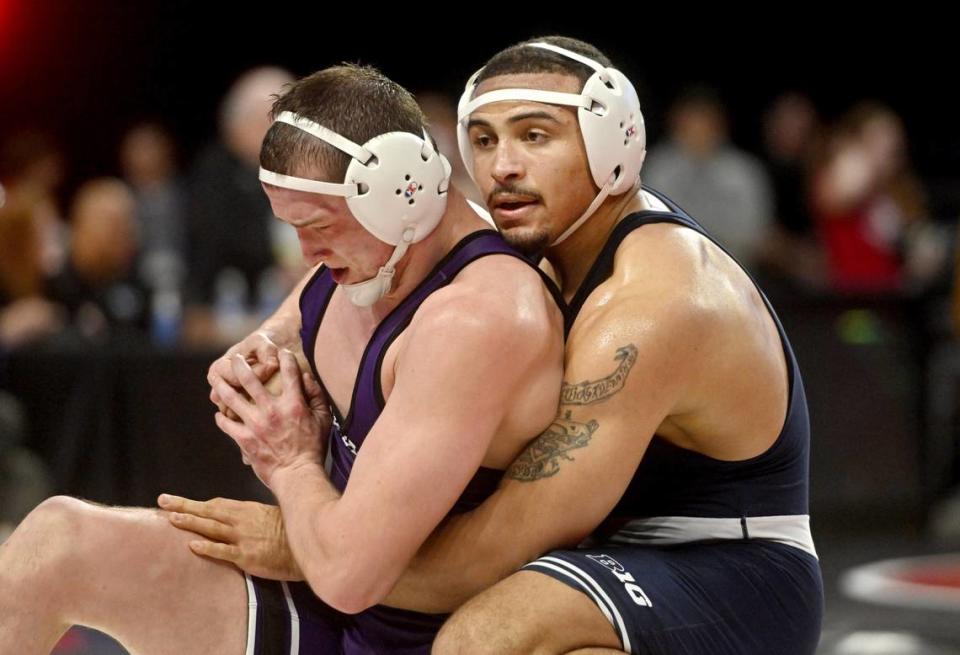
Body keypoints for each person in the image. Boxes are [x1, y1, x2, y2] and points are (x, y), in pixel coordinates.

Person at [174, 37, 824, 654]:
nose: (503, 165)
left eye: (535, 136)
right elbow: (340, 265)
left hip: (737, 565)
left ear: (614, 143)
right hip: (623, 550)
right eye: (483, 140)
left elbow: (495, 547)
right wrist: (268, 338)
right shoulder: (538, 246)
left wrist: (307, 544)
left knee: (485, 634)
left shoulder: (650, 307)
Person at [0, 63, 564, 655]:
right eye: (292, 226)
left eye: (317, 225)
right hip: (322, 589)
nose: (307, 253)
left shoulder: (479, 319)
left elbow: (350, 576)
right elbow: (297, 311)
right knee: (55, 539)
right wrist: (262, 348)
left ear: (404, 190)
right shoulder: (375, 248)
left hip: (394, 628)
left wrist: (291, 464)